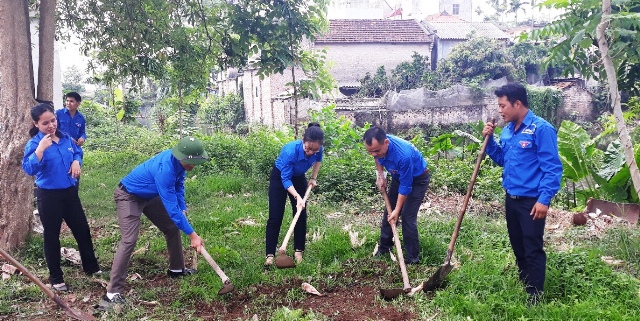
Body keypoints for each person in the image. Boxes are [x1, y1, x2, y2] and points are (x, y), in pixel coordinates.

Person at [100, 137, 209, 308]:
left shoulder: (180, 163)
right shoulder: (165, 169)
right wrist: (192, 235)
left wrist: (183, 207)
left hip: (149, 195)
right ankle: (112, 293)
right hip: (128, 195)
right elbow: (171, 209)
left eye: (195, 162)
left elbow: (179, 186)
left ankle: (176, 270)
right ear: (181, 157)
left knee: (172, 227)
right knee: (129, 240)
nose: (192, 166)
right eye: (190, 162)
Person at [482, 82, 563, 305]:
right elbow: (501, 159)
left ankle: (535, 296)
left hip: (532, 201)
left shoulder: (541, 129)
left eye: (503, 105)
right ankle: (526, 282)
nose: (500, 110)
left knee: (532, 246)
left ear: (518, 104)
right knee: (518, 244)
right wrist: (489, 142)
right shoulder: (508, 131)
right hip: (511, 198)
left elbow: (552, 168)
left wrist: (544, 199)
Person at [22, 103, 101, 292]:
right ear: (36, 124)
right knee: (52, 236)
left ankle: (91, 268)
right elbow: (28, 169)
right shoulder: (34, 144)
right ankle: (56, 278)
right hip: (49, 196)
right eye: (45, 123)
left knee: (82, 230)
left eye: (53, 120)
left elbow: (77, 151)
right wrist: (40, 150)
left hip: (70, 193)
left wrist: (76, 161)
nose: (51, 125)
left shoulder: (65, 138)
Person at [363, 126, 430, 265]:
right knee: (388, 212)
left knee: (407, 216)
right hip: (398, 176)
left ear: (386, 143)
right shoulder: (378, 149)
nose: (374, 154)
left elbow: (406, 187)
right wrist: (380, 175)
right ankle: (384, 249)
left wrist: (397, 210)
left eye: (376, 151)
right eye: (370, 152)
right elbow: (377, 158)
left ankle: (413, 258)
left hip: (418, 180)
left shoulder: (403, 156)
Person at [264, 123, 324, 266]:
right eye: (308, 148)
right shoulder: (290, 151)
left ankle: (298, 250)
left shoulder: (318, 149)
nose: (311, 152)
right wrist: (297, 197)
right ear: (303, 140)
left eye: (314, 150)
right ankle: (270, 254)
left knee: (301, 213)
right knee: (275, 216)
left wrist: (313, 178)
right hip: (280, 177)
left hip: (298, 177)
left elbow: (318, 161)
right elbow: (285, 180)